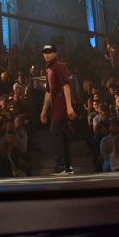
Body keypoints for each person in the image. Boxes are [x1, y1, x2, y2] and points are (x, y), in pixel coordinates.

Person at [39, 44, 77, 175]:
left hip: (61, 106)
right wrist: (44, 110)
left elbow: (66, 85)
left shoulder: (59, 66)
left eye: (50, 52)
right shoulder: (48, 69)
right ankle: (67, 166)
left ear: (55, 53)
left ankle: (61, 165)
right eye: (45, 52)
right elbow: (48, 91)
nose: (47, 55)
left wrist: (69, 106)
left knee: (55, 132)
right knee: (64, 135)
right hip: (56, 107)